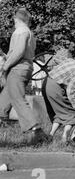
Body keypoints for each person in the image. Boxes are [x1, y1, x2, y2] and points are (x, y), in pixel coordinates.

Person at [0, 8, 49, 144]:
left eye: (14, 20)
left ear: (16, 19)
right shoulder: (29, 33)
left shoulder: (20, 31)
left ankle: (38, 132)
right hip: (24, 67)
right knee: (5, 99)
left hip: (18, 68)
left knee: (18, 99)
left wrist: (5, 66)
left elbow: (19, 51)